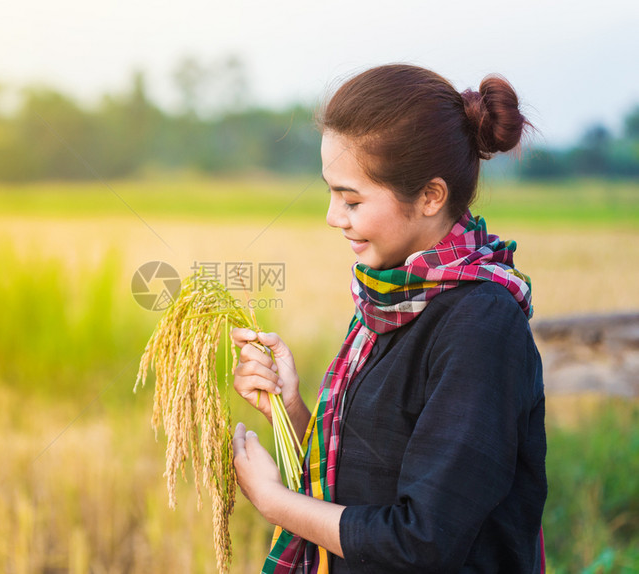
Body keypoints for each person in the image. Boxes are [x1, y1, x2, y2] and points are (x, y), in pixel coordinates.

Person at [230, 64, 547, 573]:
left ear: (430, 196)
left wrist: (274, 502)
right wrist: (290, 412)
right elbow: (374, 477)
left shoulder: (481, 326)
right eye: (331, 192)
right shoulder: (392, 297)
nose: (334, 216)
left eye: (351, 199)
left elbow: (422, 541)